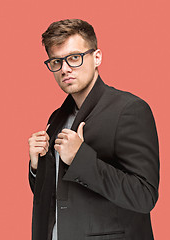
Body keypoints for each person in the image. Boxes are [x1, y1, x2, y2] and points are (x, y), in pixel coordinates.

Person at [28, 19, 160, 240]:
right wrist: (36, 166)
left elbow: (144, 195)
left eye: (74, 58)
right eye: (56, 62)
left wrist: (80, 158)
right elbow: (59, 196)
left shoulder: (130, 110)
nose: (65, 69)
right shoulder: (57, 118)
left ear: (97, 57)